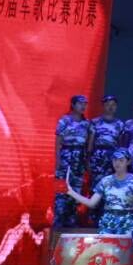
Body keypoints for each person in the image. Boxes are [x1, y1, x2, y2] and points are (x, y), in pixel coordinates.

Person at [54, 95, 91, 228]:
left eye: (85, 104)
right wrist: (58, 161)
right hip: (66, 157)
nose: (83, 106)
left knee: (76, 191)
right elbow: (58, 142)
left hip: (79, 159)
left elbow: (88, 143)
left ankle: (71, 221)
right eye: (80, 103)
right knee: (62, 191)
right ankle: (58, 223)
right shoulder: (64, 120)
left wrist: (86, 161)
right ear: (73, 105)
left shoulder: (87, 123)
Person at [86, 96, 125, 216]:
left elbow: (121, 144)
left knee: (111, 187)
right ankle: (92, 217)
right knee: (95, 186)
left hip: (113, 158)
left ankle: (107, 216)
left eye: (113, 104)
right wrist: (88, 159)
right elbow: (90, 142)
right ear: (103, 106)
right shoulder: (95, 122)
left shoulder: (120, 124)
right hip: (98, 156)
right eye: (108, 104)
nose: (110, 107)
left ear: (116, 107)